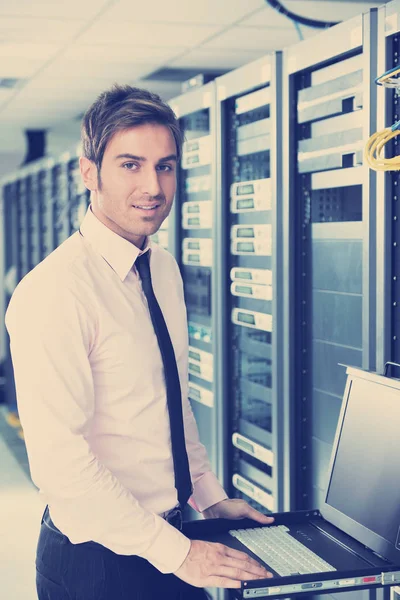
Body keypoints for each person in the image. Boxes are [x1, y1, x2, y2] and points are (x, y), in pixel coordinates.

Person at [5, 84, 274, 600]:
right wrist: (180, 554)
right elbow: (63, 468)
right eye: (131, 165)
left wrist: (210, 497)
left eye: (166, 166)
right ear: (90, 172)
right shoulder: (55, 293)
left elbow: (169, 404)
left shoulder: (163, 270)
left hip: (168, 541)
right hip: (98, 563)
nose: (153, 185)